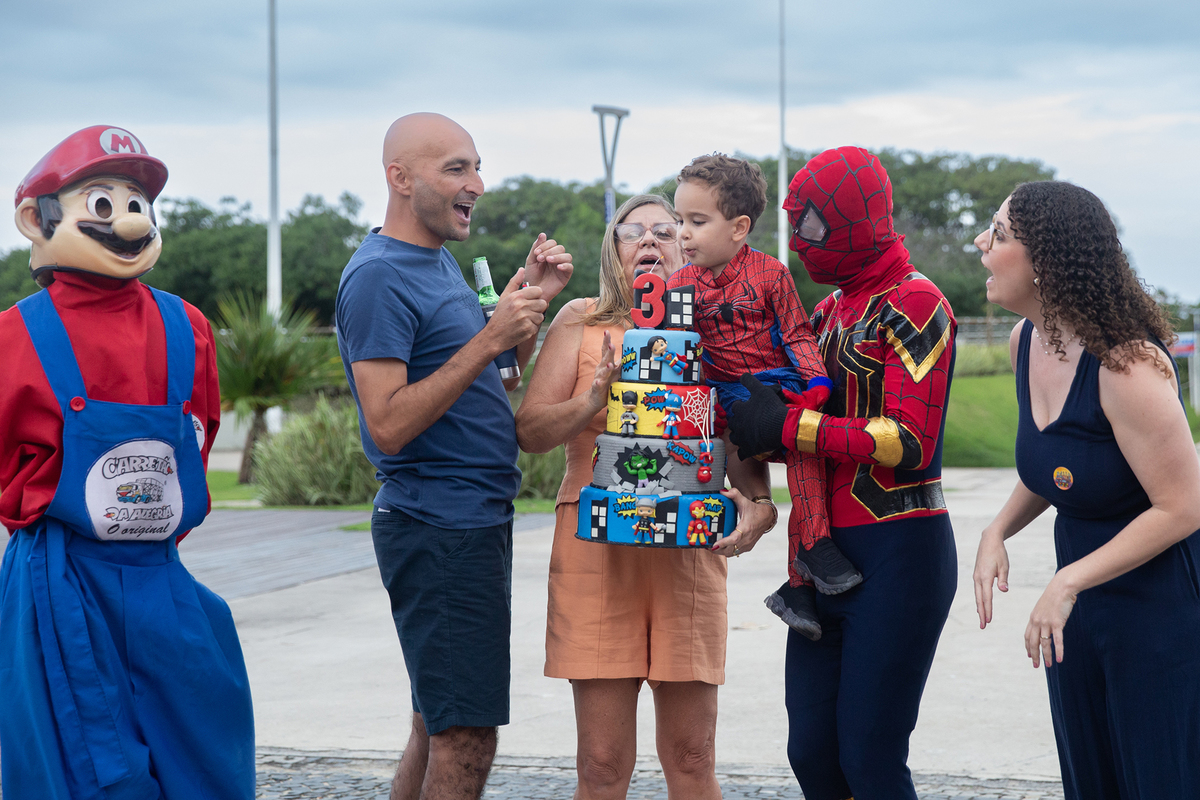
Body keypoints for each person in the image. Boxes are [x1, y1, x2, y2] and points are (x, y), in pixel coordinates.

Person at [0, 126, 254, 799]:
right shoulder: (12, 336)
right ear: (36, 219)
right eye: (104, 201)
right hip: (60, 577)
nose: (131, 216)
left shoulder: (187, 326)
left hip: (161, 575)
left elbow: (196, 437)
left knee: (206, 750)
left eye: (139, 200)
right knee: (84, 768)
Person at [334, 113, 574, 800]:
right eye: (457, 169)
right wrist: (488, 336)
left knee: (433, 720)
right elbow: (386, 423)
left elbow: (491, 384)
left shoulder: (434, 261)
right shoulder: (379, 276)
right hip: (439, 526)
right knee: (466, 734)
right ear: (400, 179)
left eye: (476, 167)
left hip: (465, 521)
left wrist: (523, 314)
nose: (477, 184)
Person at [514, 194, 774, 800]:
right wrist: (595, 398)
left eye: (667, 229)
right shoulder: (581, 319)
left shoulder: (713, 326)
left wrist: (758, 507)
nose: (651, 241)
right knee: (602, 764)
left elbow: (738, 439)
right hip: (594, 546)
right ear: (615, 250)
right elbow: (529, 432)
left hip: (687, 542)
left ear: (689, 245)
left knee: (692, 755)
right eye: (634, 232)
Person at [727, 146, 957, 800]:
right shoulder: (827, 314)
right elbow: (798, 438)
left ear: (858, 218)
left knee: (870, 757)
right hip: (821, 554)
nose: (800, 242)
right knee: (814, 757)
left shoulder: (914, 303)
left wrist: (788, 427)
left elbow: (911, 442)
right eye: (797, 225)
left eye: (814, 226)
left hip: (899, 549)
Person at [971, 181, 1200, 799]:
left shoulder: (1127, 366)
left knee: (1159, 780)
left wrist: (1066, 580)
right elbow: (1061, 464)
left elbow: (1183, 507)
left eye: (997, 234)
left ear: (1043, 259)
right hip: (1075, 608)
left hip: (1156, 608)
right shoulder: (1026, 344)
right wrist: (997, 531)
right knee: (1090, 779)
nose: (980, 243)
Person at [667, 153, 857, 641]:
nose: (682, 233)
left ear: (739, 227)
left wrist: (815, 385)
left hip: (775, 382)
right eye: (679, 220)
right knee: (690, 422)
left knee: (804, 441)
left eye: (696, 221)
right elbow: (676, 352)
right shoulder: (679, 284)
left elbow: (796, 334)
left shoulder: (770, 274)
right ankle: (674, 502)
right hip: (720, 391)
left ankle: (812, 552)